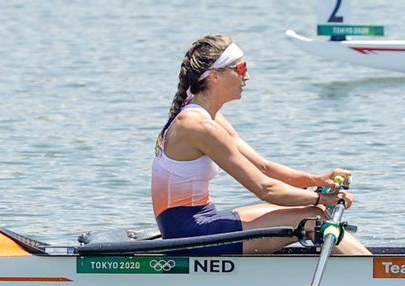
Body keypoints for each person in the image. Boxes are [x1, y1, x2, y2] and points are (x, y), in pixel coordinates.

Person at [153, 34, 370, 256]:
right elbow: (266, 189)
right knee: (313, 218)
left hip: (202, 222)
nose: (247, 76)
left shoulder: (210, 118)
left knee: (312, 211)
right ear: (215, 76)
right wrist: (321, 198)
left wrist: (316, 180)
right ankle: (375, 273)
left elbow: (264, 168)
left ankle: (368, 267)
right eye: (240, 68)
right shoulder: (197, 126)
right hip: (188, 236)